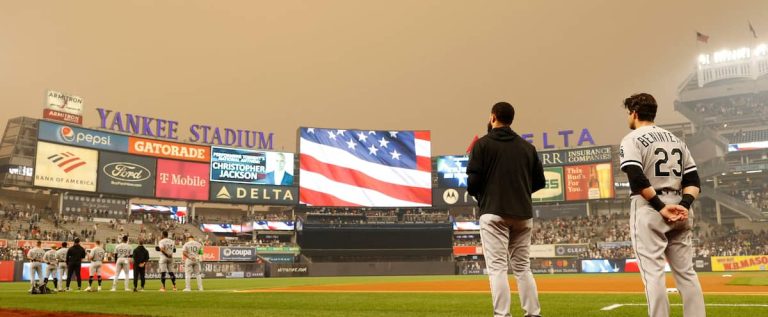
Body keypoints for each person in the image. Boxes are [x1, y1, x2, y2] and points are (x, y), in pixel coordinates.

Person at [619, 93, 705, 317]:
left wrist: (659, 206)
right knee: (686, 273)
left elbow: (637, 179)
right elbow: (693, 181)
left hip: (650, 208)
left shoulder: (633, 138)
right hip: (680, 208)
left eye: (629, 113)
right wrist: (684, 205)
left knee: (653, 273)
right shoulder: (676, 140)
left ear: (634, 113)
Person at [467, 102, 545, 317]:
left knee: (498, 268)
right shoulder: (527, 147)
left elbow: (472, 184)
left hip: (493, 212)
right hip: (522, 214)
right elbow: (540, 183)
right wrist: (518, 191)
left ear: (493, 117)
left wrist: (485, 194)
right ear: (512, 119)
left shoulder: (482, 145)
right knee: (522, 267)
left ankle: (502, 314)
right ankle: (533, 313)